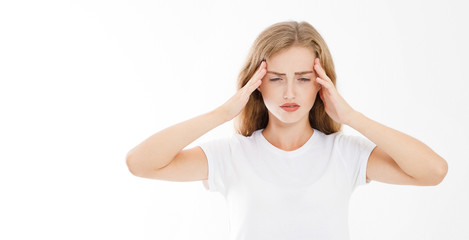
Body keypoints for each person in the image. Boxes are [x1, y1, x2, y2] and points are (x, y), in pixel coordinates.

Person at [126, 21, 448, 240]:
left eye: (304, 78)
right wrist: (225, 112)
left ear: (322, 83)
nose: (290, 93)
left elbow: (433, 171)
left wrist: (351, 116)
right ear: (257, 82)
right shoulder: (231, 155)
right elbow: (140, 163)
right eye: (277, 78)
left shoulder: (345, 153)